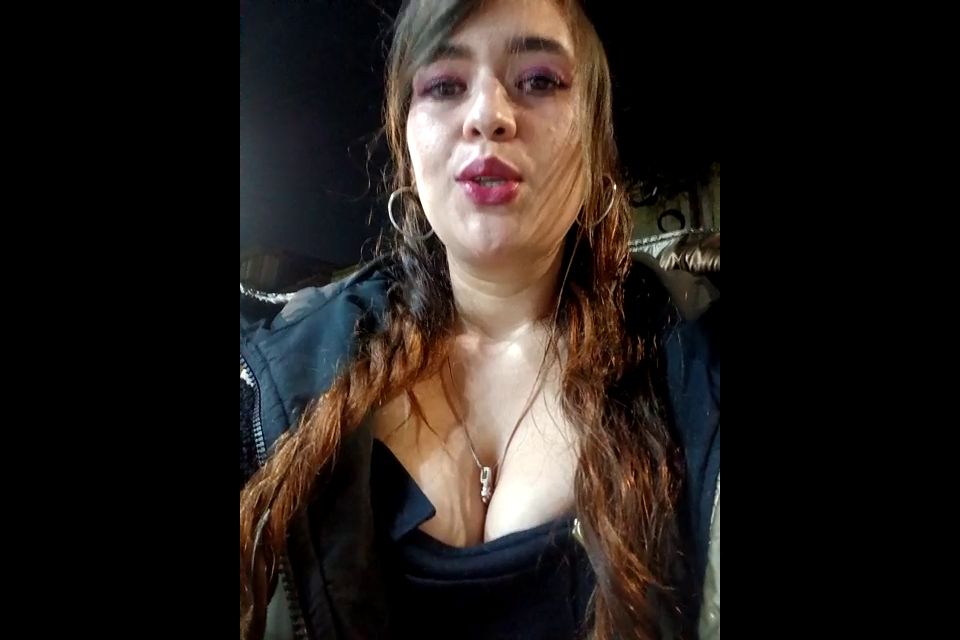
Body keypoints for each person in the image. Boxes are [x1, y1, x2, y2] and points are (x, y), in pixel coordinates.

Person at [240, 1, 720, 638]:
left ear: (594, 133)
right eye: (445, 86)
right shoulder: (275, 379)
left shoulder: (695, 362)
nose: (488, 115)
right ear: (408, 143)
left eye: (539, 80)